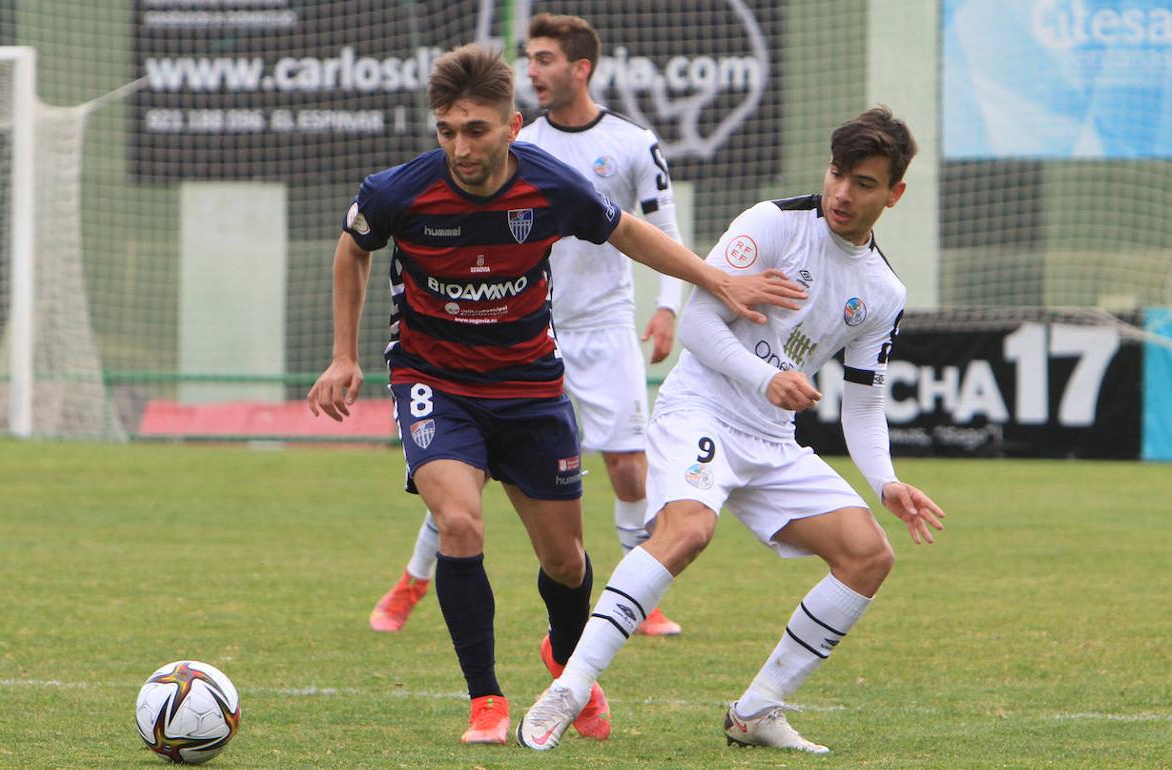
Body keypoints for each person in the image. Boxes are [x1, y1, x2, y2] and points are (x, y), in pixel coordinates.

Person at [306, 43, 805, 745]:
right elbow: (352, 247)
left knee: (565, 562)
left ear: (512, 126)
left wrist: (716, 282)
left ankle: (566, 663)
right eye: (447, 130)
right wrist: (341, 355)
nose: (460, 146)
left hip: (531, 385)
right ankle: (486, 699)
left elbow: (630, 232)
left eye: (475, 130)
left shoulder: (550, 185)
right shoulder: (399, 191)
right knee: (459, 524)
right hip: (434, 382)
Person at [516, 106, 947, 754]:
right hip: (702, 409)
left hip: (771, 441)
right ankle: (571, 687)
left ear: (895, 194)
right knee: (689, 531)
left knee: (868, 555)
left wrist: (885, 481)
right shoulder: (772, 224)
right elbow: (696, 326)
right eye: (837, 174)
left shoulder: (882, 291)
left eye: (862, 182)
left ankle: (756, 712)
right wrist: (764, 378)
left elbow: (862, 404)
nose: (841, 193)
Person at [368, 13, 688, 639]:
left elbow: (656, 234)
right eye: (530, 60)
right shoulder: (512, 143)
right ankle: (413, 579)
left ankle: (635, 592)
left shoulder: (631, 143)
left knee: (627, 466)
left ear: (581, 67)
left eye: (545, 60)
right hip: (511, 335)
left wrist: (669, 305)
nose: (534, 71)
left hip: (602, 327)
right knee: (465, 472)